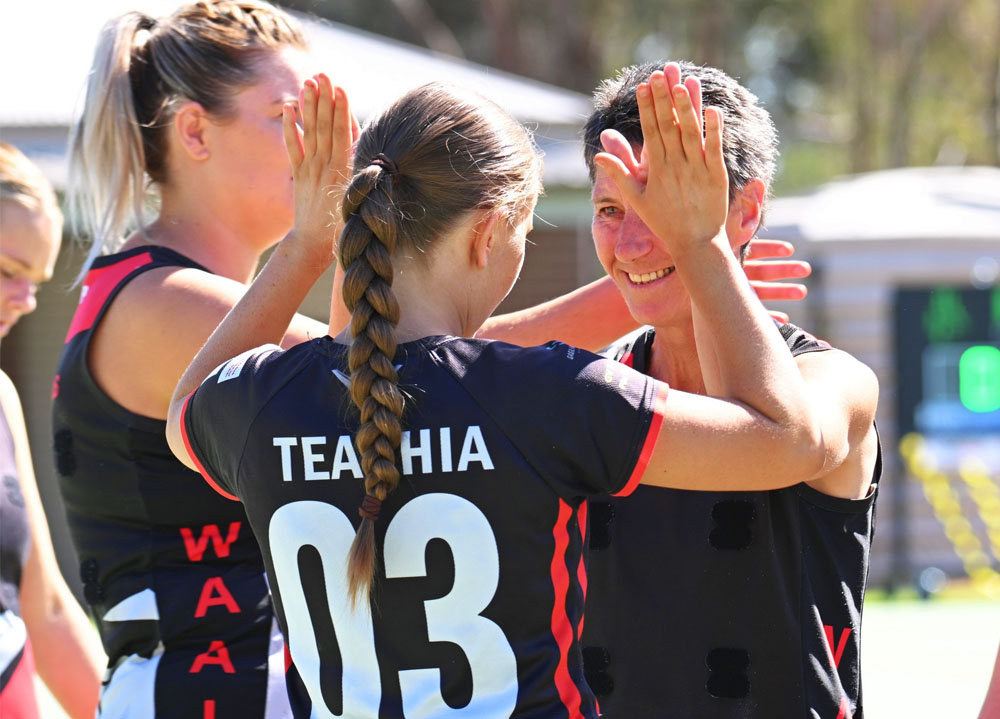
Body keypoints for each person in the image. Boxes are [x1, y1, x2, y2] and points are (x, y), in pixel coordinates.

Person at [165, 68, 829, 717]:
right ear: (487, 233)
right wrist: (702, 244)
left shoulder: (258, 399)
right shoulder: (547, 393)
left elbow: (181, 416)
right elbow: (791, 440)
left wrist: (305, 245)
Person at [579, 61, 881, 719]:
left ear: (745, 210)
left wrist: (700, 246)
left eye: (663, 204)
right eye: (610, 208)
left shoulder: (836, 382)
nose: (630, 241)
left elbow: (789, 439)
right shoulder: (593, 383)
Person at [0, 142, 105, 718]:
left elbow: (47, 610)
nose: (25, 301)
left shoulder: (2, 398)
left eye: (36, 280)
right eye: (6, 271)